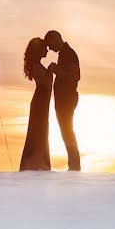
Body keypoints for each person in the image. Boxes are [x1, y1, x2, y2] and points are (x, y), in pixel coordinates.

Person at [45, 30, 81, 171]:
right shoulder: (65, 54)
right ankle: (73, 164)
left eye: (50, 44)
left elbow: (75, 76)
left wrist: (56, 70)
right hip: (63, 99)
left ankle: (74, 165)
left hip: (67, 99)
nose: (49, 49)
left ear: (57, 39)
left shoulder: (69, 54)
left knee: (67, 131)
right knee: (65, 131)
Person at [19, 37, 52, 171]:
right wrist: (51, 70)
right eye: (45, 47)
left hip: (42, 102)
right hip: (40, 102)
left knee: (41, 133)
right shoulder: (37, 66)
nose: (47, 50)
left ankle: (38, 166)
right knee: (37, 134)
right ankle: (35, 166)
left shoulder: (38, 65)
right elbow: (46, 82)